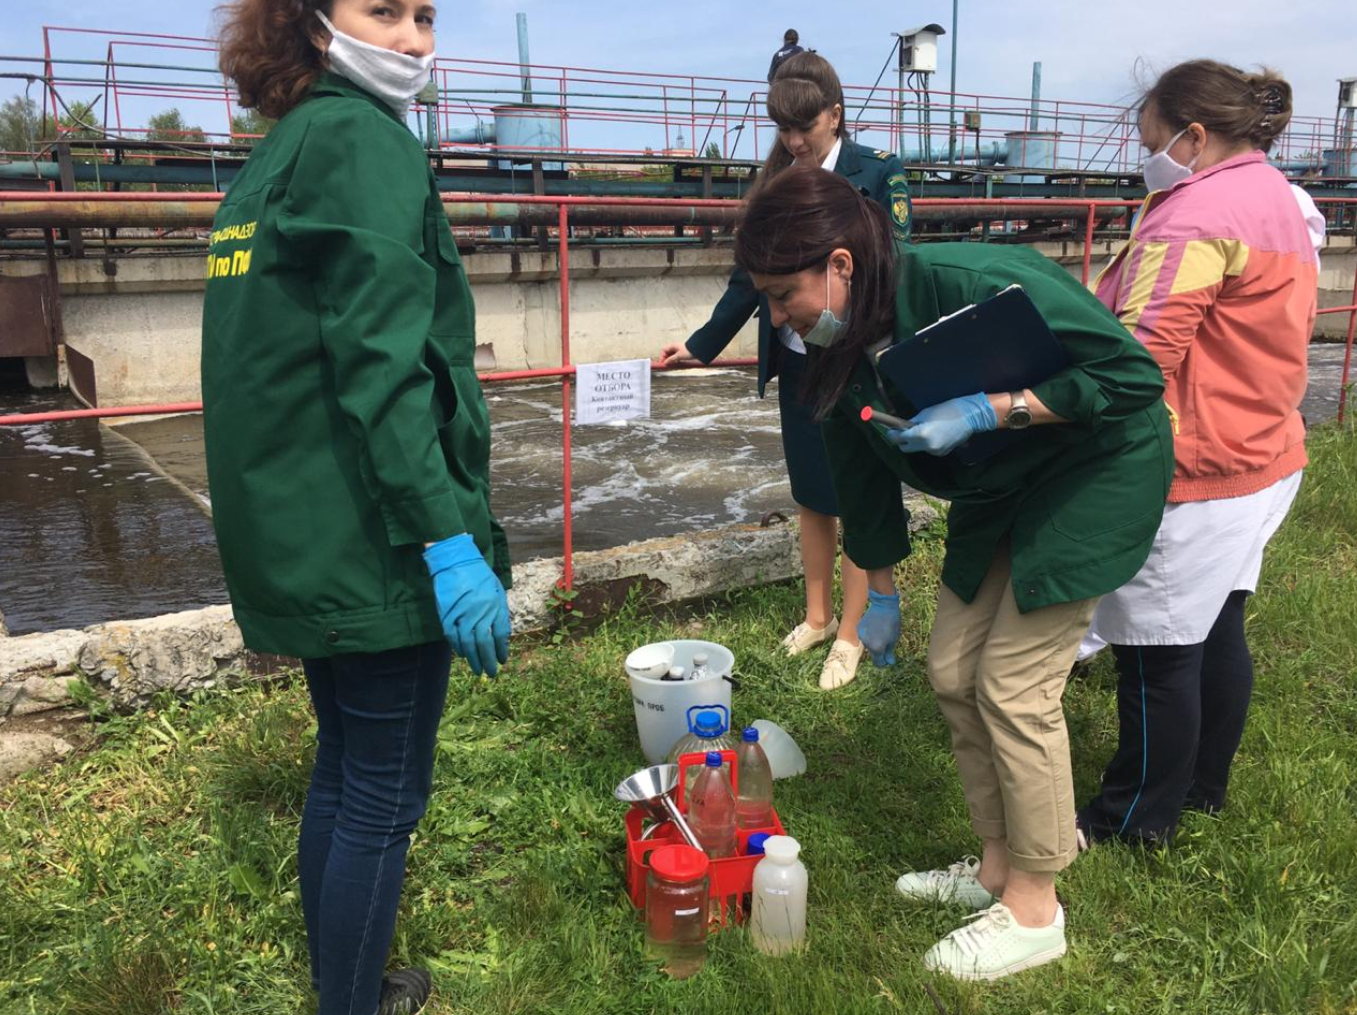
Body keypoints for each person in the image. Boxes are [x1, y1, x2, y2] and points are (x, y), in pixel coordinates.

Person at [735, 166, 1172, 979]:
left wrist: (989, 407)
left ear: (839, 263)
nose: (774, 315)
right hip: (1001, 483)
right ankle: (995, 868)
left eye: (779, 293)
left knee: (1012, 683)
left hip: (1091, 471)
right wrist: (882, 592)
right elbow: (855, 476)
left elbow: (1128, 378)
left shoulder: (971, 282)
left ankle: (1036, 909)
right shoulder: (837, 346)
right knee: (949, 670)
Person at [206, 2, 512, 1012]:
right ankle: (352, 1003)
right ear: (311, 20)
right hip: (375, 536)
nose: (416, 38)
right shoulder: (361, 143)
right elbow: (384, 371)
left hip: (306, 528)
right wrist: (448, 540)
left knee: (343, 768)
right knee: (385, 790)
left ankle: (347, 981)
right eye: (385, 10)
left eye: (426, 14)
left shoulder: (276, 151)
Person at [1076, 61, 1318, 847]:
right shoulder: (1276, 196)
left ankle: (1132, 819)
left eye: (1151, 141)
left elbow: (1137, 363)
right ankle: (1200, 790)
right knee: (1217, 628)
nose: (1147, 156)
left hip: (1197, 466)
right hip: (1263, 448)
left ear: (1194, 135)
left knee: (1155, 653)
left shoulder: (1194, 216)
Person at [659, 52, 913, 690]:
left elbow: (894, 266)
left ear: (835, 113)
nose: (796, 141)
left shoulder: (876, 174)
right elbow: (751, 275)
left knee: (856, 491)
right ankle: (819, 615)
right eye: (784, 129)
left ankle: (853, 632)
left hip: (853, 363)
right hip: (799, 363)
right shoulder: (775, 181)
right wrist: (703, 344)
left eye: (806, 127)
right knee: (810, 494)